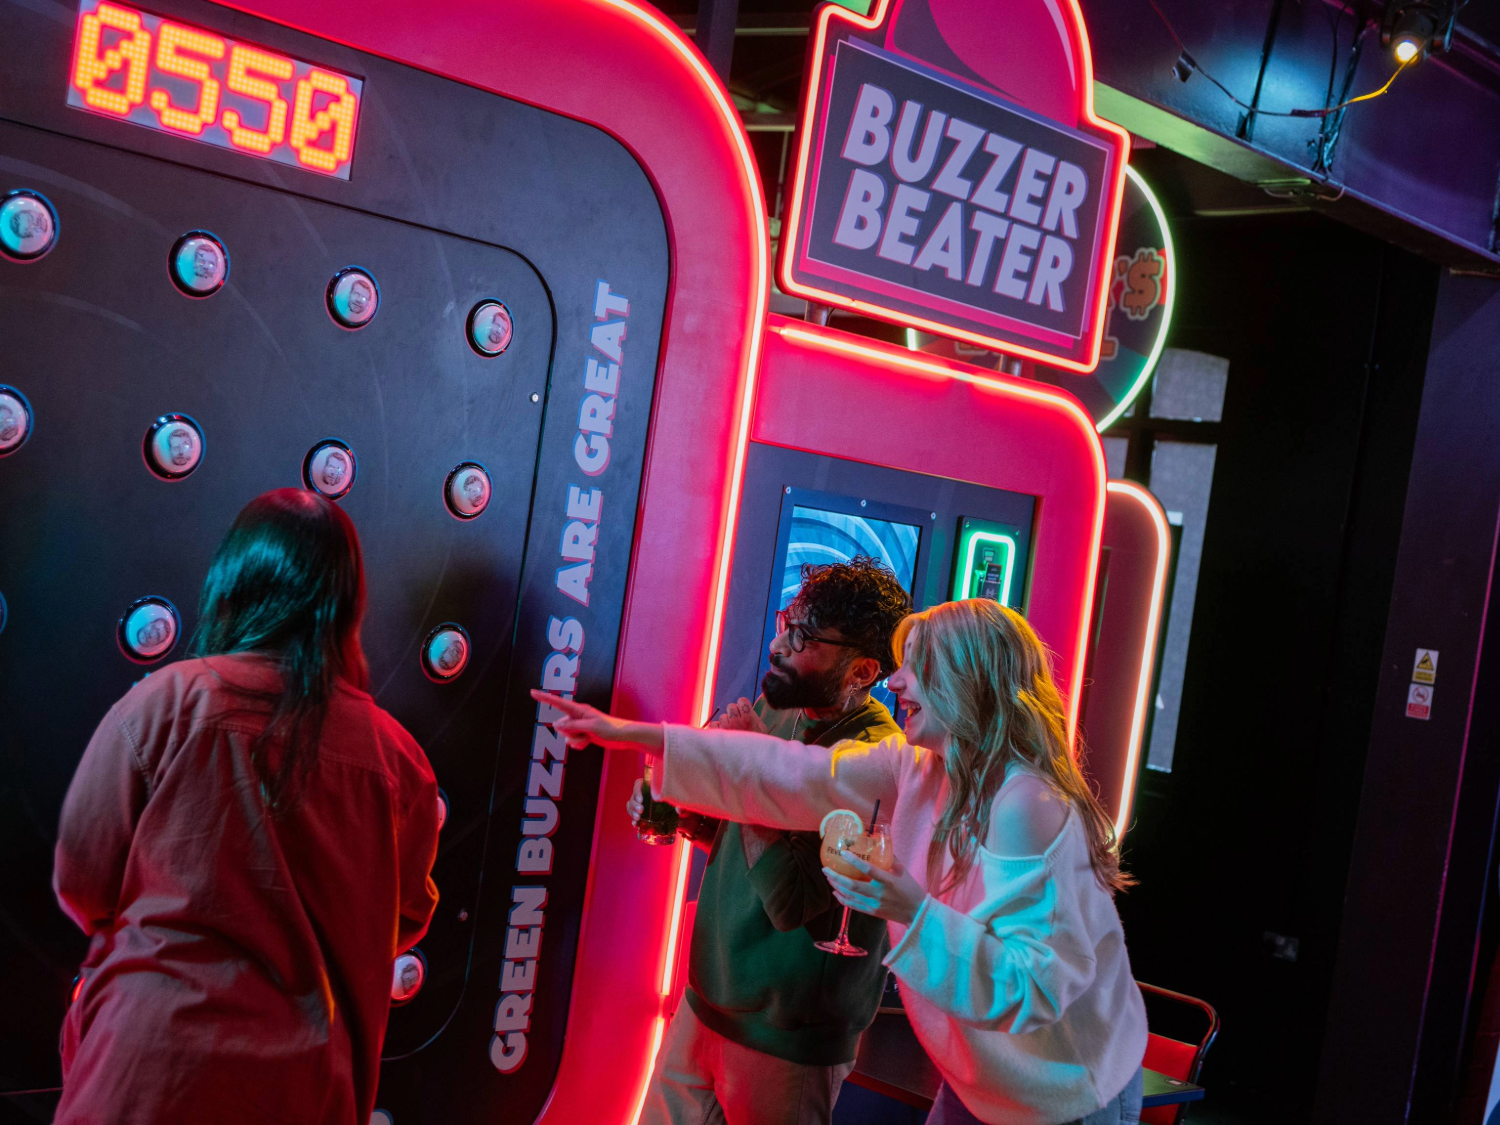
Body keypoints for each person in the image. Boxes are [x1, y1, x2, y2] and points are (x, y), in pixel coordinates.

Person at [536, 598, 1148, 1125]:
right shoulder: (916, 768)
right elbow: (788, 775)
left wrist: (908, 906)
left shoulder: (1026, 804)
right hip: (979, 1087)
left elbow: (1031, 988)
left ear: (968, 681)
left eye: (917, 668)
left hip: (1065, 1095)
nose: (896, 682)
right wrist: (639, 736)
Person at [53, 488, 440, 1125]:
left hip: (146, 1074)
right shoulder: (399, 763)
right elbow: (405, 915)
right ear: (347, 603)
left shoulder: (164, 704)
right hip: (304, 1089)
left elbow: (84, 879)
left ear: (232, 582)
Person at [630, 557, 911, 1125]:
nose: (779, 644)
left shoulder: (874, 760)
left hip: (787, 1040)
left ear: (861, 672)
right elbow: (744, 844)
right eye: (787, 622)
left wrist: (753, 769)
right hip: (705, 1003)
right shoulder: (775, 709)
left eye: (802, 637)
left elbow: (792, 902)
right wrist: (683, 817)